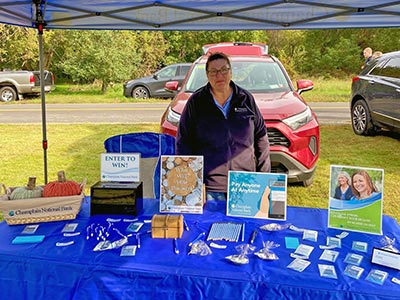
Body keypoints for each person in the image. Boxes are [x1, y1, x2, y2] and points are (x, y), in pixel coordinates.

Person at [176, 52, 271, 201]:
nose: (219, 75)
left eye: (224, 70)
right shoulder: (196, 102)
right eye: (213, 71)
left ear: (231, 72)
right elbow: (184, 143)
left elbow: (261, 138)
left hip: (247, 184)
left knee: (246, 225)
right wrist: (189, 182)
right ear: (207, 75)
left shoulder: (246, 99)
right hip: (210, 188)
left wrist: (264, 177)